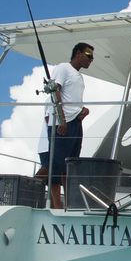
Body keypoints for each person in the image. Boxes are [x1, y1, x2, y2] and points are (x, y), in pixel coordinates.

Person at [46, 42, 94, 209]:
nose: (91, 59)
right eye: (89, 55)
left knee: (71, 164)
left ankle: (68, 203)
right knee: (57, 163)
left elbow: (71, 98)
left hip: (75, 121)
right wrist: (62, 120)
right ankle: (56, 205)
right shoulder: (63, 68)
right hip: (63, 121)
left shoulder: (79, 76)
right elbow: (55, 91)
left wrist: (83, 110)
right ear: (78, 53)